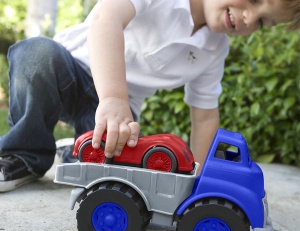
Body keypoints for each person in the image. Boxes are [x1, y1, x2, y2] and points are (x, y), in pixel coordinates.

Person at [0, 0, 299, 192]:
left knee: (114, 166)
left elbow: (205, 115)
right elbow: (106, 20)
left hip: (120, 109)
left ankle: (77, 154)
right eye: (256, 0)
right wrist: (114, 98)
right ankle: (24, 155)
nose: (249, 17)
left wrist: (200, 179)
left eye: (263, 22)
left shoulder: (214, 50)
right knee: (35, 53)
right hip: (68, 69)